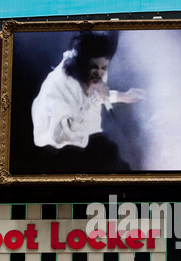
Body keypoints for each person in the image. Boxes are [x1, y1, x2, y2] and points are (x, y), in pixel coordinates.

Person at [31, 31, 145, 172]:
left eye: (104, 68)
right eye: (96, 69)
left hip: (79, 136)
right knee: (109, 155)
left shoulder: (89, 64)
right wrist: (94, 98)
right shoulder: (61, 87)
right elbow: (62, 134)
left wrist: (123, 96)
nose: (100, 73)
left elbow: (94, 94)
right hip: (56, 147)